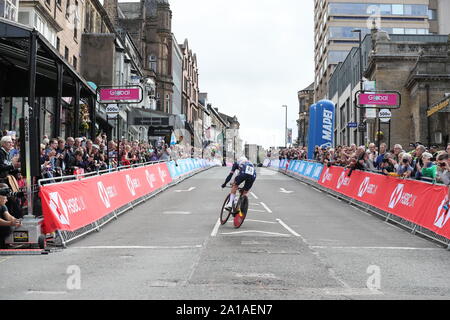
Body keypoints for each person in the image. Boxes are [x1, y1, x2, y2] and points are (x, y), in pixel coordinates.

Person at [0, 184, 21, 249]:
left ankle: (4, 243)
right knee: (7, 227)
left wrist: (16, 221)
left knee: (10, 227)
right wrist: (10, 223)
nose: (7, 200)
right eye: (5, 198)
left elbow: (8, 216)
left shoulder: (3, 205)